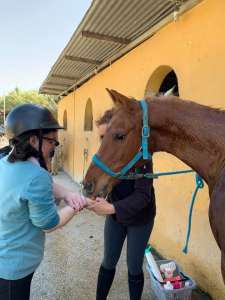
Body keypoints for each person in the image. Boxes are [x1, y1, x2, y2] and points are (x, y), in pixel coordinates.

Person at [0, 104, 88, 300]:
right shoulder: (36, 176)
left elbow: (29, 186)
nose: (53, 149)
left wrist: (66, 193)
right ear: (33, 140)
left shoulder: (5, 160)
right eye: (52, 143)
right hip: (15, 267)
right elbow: (49, 224)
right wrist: (76, 205)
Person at [87, 109, 156, 300]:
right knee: (108, 261)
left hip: (140, 219)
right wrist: (93, 195)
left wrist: (110, 208)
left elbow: (143, 196)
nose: (103, 144)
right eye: (100, 138)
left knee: (134, 266)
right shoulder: (106, 157)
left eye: (105, 137)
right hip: (116, 218)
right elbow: (103, 184)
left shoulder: (142, 155)